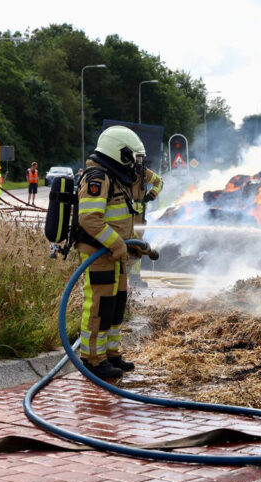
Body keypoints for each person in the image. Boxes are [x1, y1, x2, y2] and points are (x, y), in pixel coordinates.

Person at [76, 126, 148, 379]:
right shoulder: (97, 178)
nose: (137, 164)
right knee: (100, 305)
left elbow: (130, 212)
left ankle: (111, 353)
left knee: (116, 304)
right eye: (133, 157)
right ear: (120, 153)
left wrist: (133, 244)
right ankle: (93, 359)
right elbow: (90, 219)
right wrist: (118, 244)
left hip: (116, 253)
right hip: (99, 252)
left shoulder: (119, 176)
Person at [128, 160, 163, 288]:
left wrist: (150, 196)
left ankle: (134, 278)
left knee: (136, 245)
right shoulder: (114, 170)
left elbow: (159, 182)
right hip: (122, 215)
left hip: (137, 216)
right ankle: (124, 277)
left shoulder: (142, 172)